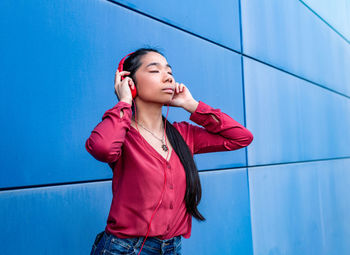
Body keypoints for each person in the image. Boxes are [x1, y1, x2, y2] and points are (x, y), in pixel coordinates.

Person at [85, 47, 254, 255]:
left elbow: (242, 137)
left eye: (170, 72)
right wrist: (124, 101)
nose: (167, 78)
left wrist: (191, 105)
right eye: (155, 71)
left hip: (172, 247)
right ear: (130, 82)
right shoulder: (122, 133)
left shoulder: (183, 134)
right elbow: (102, 149)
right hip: (124, 249)